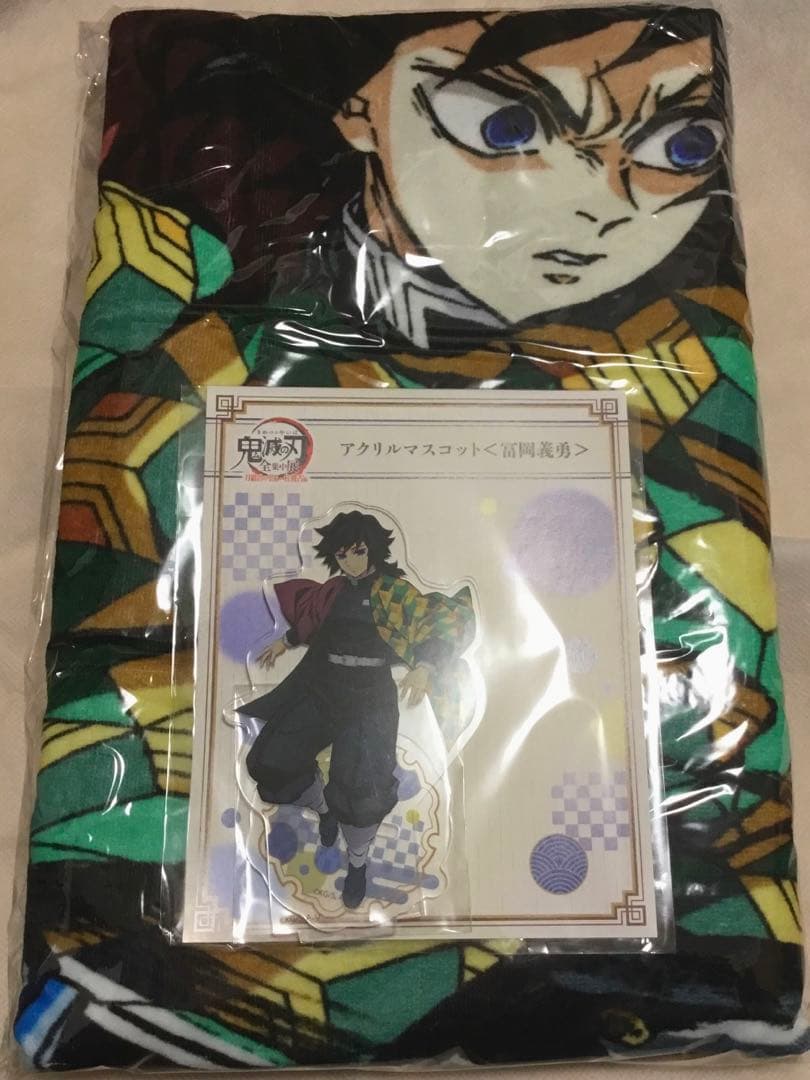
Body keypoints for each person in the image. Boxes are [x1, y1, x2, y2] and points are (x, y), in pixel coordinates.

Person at [240, 510, 475, 909]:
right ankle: (324, 808)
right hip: (323, 686)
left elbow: (430, 624)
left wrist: (424, 666)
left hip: (370, 697)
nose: (351, 561)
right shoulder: (333, 590)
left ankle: (358, 863)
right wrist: (286, 641)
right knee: (271, 759)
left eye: (358, 551)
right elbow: (314, 623)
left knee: (361, 788)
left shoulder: (393, 592)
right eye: (342, 554)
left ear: (373, 550)